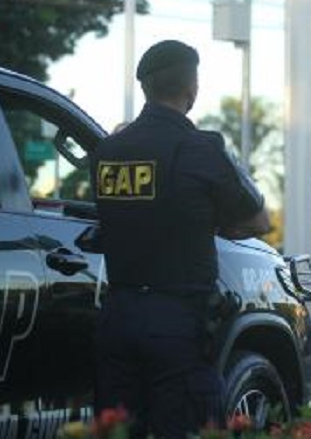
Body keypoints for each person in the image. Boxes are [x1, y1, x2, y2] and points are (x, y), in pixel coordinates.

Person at [90, 39, 270, 438]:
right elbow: (258, 220)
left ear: (145, 88)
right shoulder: (200, 149)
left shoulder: (107, 151)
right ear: (193, 89)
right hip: (177, 323)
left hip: (117, 318)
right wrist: (213, 222)